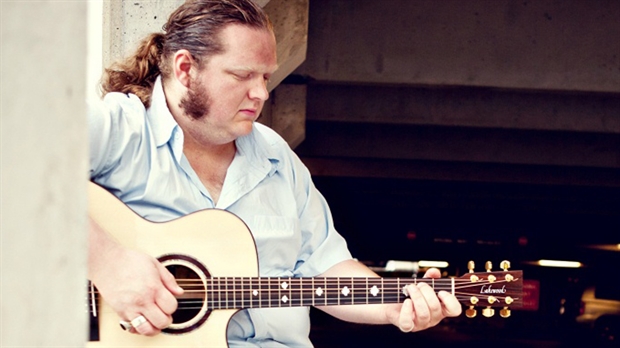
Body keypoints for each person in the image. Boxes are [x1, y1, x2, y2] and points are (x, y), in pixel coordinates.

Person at [87, 0, 462, 346]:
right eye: (243, 75)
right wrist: (108, 262)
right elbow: (28, 175)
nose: (262, 94)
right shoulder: (121, 129)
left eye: (265, 77)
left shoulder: (277, 158)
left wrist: (393, 307)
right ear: (186, 69)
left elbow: (323, 263)